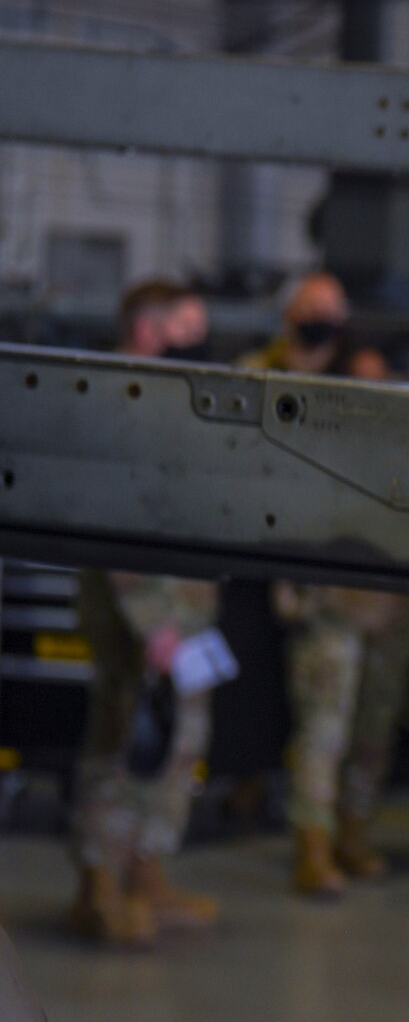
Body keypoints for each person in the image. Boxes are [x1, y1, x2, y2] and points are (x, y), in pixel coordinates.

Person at [70, 281, 224, 947]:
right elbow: (114, 522)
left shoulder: (167, 399)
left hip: (180, 608)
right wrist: (152, 620)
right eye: (187, 323)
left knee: (170, 747)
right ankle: (102, 884)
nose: (201, 337)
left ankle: (146, 874)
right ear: (146, 324)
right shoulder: (119, 399)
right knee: (122, 743)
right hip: (143, 613)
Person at [284, 343, 409, 899]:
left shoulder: (406, 447)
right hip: (333, 609)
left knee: (374, 730)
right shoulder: (314, 447)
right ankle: (312, 846)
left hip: (391, 609)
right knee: (324, 732)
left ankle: (353, 833)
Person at [242, 271, 350, 373]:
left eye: (329, 312)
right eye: (312, 309)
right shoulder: (254, 369)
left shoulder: (354, 370)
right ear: (288, 312)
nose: (321, 318)